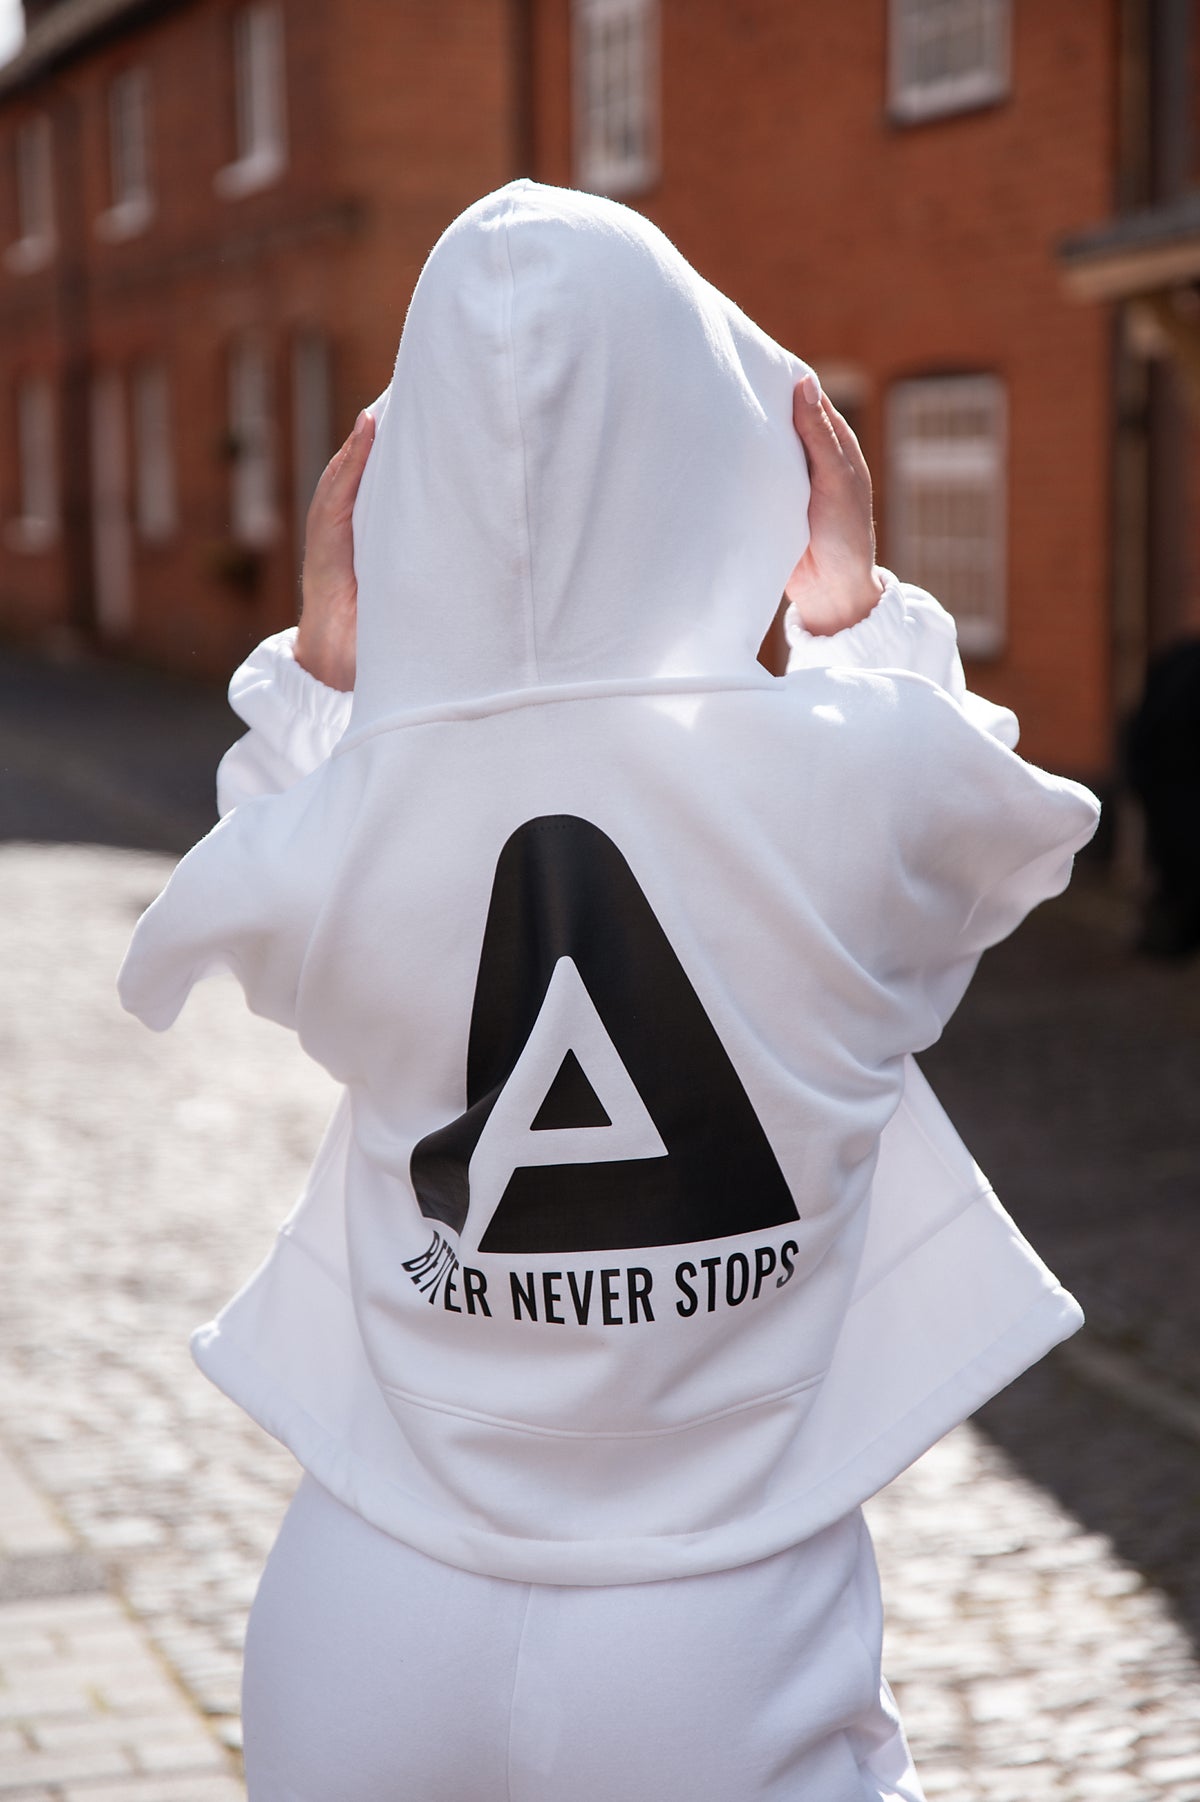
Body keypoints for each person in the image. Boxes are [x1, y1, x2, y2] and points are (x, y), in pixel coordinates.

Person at [119, 181, 1100, 1802]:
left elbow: (259, 871)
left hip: (372, 1594)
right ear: (730, 450)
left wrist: (325, 680)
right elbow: (983, 815)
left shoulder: (358, 815)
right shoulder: (835, 788)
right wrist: (852, 621)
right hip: (721, 1622)